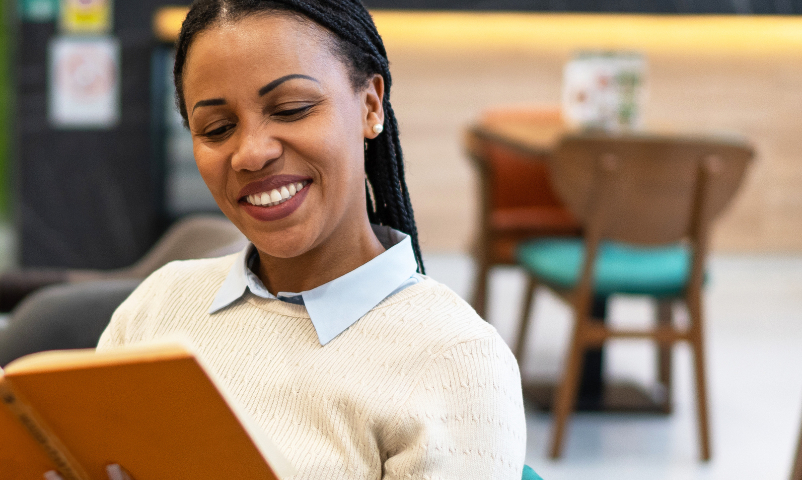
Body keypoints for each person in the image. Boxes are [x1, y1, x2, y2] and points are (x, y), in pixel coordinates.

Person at [92, 0, 525, 477]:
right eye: (217, 128)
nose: (251, 154)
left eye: (291, 109)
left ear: (370, 105)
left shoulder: (453, 359)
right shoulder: (156, 307)